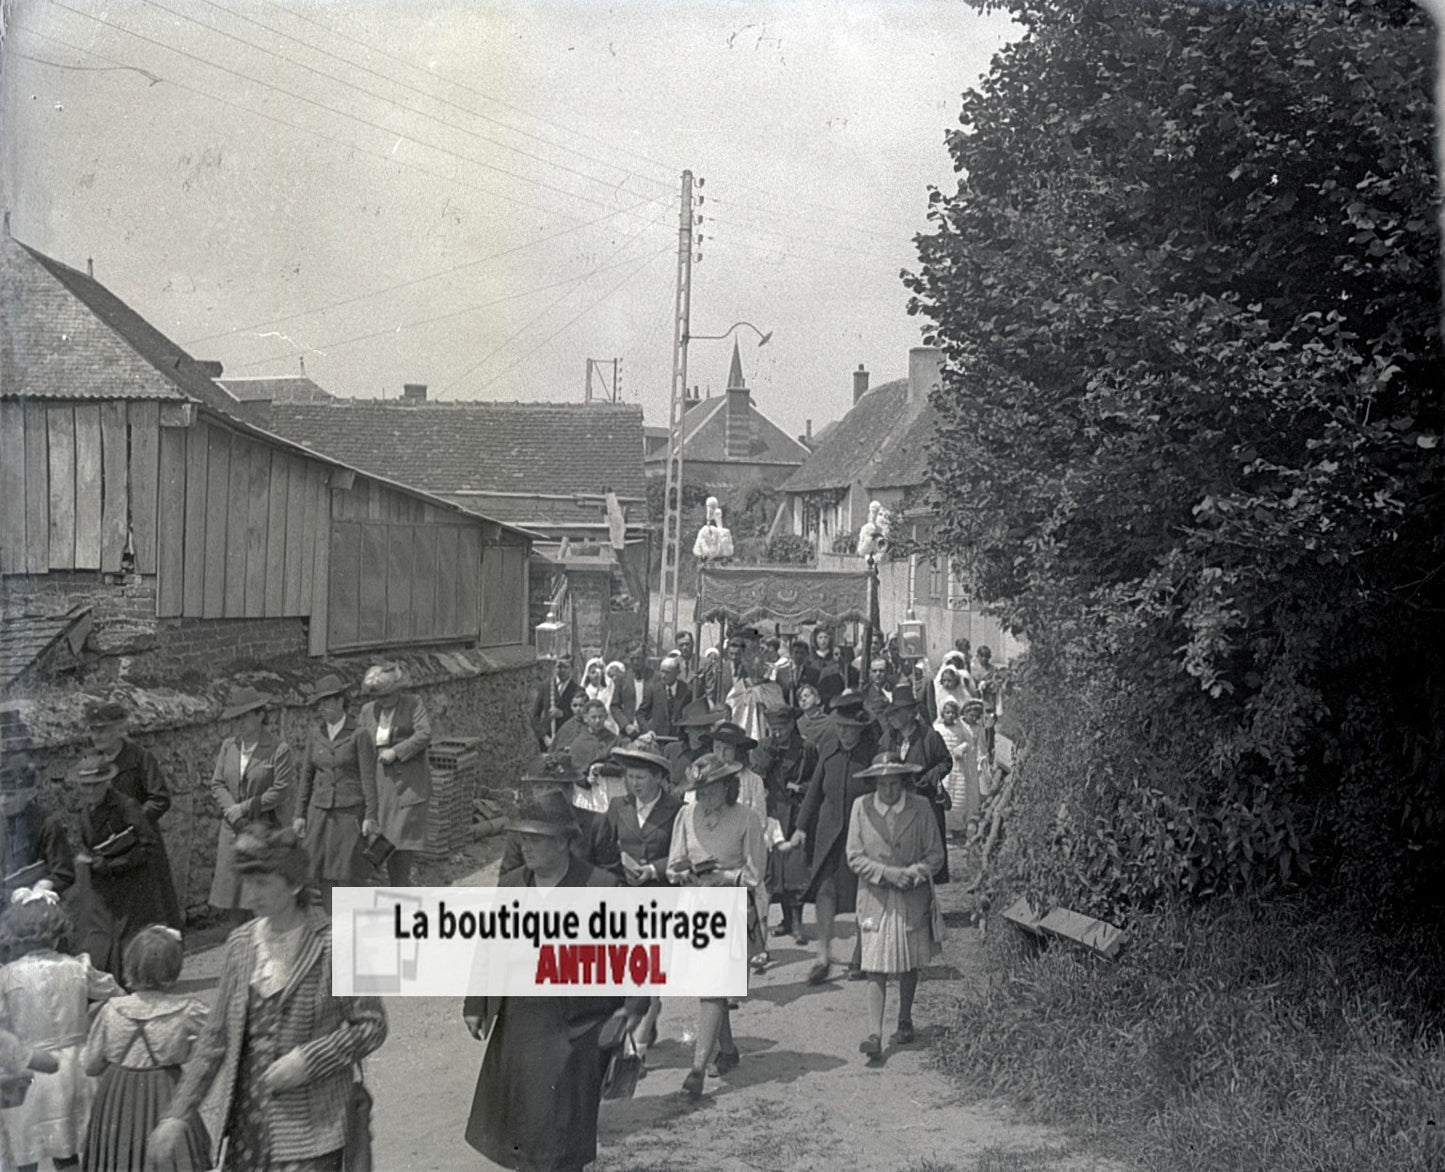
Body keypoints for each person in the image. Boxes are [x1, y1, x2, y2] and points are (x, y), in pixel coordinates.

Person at [151, 826, 387, 1171]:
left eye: (263, 884)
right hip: (249, 1125)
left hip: (313, 1129)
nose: (252, 894)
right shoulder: (241, 944)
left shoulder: (336, 945)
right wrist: (178, 1113)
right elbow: (215, 1038)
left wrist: (308, 1060)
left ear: (293, 884)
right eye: (248, 883)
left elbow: (372, 1026)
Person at [463, 790, 641, 1172]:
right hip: (520, 1023)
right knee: (523, 1134)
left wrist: (627, 1011)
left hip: (576, 1028)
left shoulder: (600, 888)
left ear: (563, 841)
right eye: (523, 838)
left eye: (536, 839)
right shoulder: (513, 885)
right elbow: (489, 944)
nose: (526, 847)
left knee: (560, 1137)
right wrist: (476, 1003)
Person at [667, 754, 766, 1099]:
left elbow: (754, 875)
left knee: (712, 986)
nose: (704, 796)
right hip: (695, 905)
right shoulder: (686, 815)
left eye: (710, 789)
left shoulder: (746, 819)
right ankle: (727, 1047)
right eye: (699, 790)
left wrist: (724, 876)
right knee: (710, 984)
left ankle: (696, 1069)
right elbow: (673, 863)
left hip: (730, 906)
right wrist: (684, 873)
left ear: (727, 786)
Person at [0, 890, 121, 1172]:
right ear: (57, 934)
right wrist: (90, 1017)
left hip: (30, 1068)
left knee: (25, 1151)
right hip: (76, 1068)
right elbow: (116, 995)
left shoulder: (7, 976)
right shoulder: (78, 967)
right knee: (69, 1149)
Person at [81, 925, 210, 1172]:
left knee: (120, 1159)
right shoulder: (186, 1011)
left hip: (117, 1098)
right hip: (167, 1091)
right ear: (174, 969)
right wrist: (188, 1047)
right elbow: (218, 1035)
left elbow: (91, 1065)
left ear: (130, 965)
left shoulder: (111, 1010)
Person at [846, 752, 945, 1061]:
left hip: (911, 896)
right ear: (874, 783)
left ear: (903, 782)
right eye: (882, 784)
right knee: (874, 963)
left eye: (894, 783)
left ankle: (904, 1019)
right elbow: (854, 856)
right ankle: (874, 1032)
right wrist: (886, 874)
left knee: (908, 962)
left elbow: (935, 854)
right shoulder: (861, 808)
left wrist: (912, 875)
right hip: (875, 896)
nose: (888, 790)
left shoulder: (921, 808)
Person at [602, 735, 683, 1066]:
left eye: (641, 778)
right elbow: (602, 847)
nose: (634, 784)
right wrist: (619, 858)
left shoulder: (677, 810)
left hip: (661, 898)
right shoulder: (616, 807)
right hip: (623, 898)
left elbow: (683, 855)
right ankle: (647, 1014)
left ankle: (637, 1037)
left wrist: (653, 869)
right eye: (630, 777)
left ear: (658, 778)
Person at [71, 755, 182, 981]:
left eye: (96, 785)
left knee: (127, 940)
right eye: (85, 786)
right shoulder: (85, 811)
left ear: (107, 782)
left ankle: (133, 986)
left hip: (131, 886)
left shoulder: (126, 806)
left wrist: (113, 863)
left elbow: (148, 846)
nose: (91, 791)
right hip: (103, 889)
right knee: (99, 939)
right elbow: (86, 842)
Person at [792, 706, 876, 984]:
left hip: (863, 832)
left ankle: (861, 953)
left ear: (860, 729)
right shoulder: (828, 750)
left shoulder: (872, 754)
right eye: (841, 728)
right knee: (824, 891)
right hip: (828, 834)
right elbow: (814, 792)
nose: (845, 734)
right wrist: (801, 828)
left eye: (851, 728)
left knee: (864, 896)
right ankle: (823, 956)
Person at [83, 699, 183, 926]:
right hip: (105, 847)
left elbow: (160, 798)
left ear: (120, 728)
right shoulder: (90, 759)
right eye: (93, 730)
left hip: (138, 844)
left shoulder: (139, 757)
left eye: (103, 730)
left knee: (149, 909)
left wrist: (132, 822)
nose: (97, 736)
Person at [208, 685, 293, 923]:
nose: (240, 723)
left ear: (260, 715)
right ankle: (238, 947)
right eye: (236, 718)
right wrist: (233, 812)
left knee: (258, 898)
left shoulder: (278, 749)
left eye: (245, 716)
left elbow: (280, 791)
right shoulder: (229, 746)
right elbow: (217, 784)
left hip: (262, 831)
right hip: (233, 831)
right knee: (232, 897)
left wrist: (245, 807)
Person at [292, 674, 368, 911]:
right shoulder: (316, 734)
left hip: (349, 812)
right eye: (319, 703)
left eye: (327, 701)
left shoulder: (359, 733)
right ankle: (331, 922)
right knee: (323, 870)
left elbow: (369, 778)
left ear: (340, 701)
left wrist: (372, 816)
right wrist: (299, 814)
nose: (322, 708)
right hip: (320, 812)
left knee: (346, 872)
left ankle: (349, 927)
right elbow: (306, 777)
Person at [357, 663, 432, 887]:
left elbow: (424, 734)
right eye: (379, 696)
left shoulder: (413, 703)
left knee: (400, 844)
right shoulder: (368, 711)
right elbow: (360, 741)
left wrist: (397, 752)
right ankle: (388, 890)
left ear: (398, 690)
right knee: (378, 841)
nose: (384, 700)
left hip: (406, 787)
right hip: (378, 784)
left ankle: (401, 890)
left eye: (388, 695)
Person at [752, 701, 817, 945]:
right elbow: (756, 775)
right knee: (774, 870)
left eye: (781, 728)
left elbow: (816, 780)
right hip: (773, 815)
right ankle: (784, 920)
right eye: (773, 729)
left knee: (796, 868)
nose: (777, 733)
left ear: (791, 725)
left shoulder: (806, 748)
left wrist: (801, 787)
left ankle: (797, 922)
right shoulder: (765, 747)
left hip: (797, 813)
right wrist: (769, 757)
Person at [878, 683, 953, 885]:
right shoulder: (888, 739)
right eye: (890, 713)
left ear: (911, 713)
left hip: (924, 804)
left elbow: (946, 761)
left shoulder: (929, 736)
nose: (892, 717)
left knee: (924, 855)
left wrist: (930, 776)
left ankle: (927, 907)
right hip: (896, 805)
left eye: (897, 712)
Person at [500, 755, 618, 874]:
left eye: (552, 787)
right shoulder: (521, 826)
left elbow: (610, 878)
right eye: (539, 787)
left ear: (570, 790)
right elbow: (509, 878)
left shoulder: (596, 824)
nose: (545, 794)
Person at [1, 752, 74, 904]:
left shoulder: (48, 824)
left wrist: (45, 884)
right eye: (0, 794)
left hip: (38, 901)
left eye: (10, 795)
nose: (3, 801)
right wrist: (10, 894)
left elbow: (64, 872)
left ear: (30, 794)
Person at [723, 626, 786, 742]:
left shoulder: (768, 667)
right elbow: (732, 700)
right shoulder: (731, 667)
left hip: (764, 695)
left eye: (752, 641)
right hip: (744, 698)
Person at [934, 699, 978, 838]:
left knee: (958, 795)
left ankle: (957, 826)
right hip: (943, 765)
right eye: (947, 712)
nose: (950, 715)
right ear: (942, 713)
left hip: (958, 767)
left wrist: (963, 747)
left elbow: (969, 743)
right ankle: (945, 827)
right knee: (944, 794)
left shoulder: (961, 729)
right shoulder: (937, 728)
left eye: (953, 713)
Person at [665, 699, 726, 790]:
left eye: (705, 727)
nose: (702, 731)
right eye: (697, 727)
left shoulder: (713, 753)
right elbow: (660, 776)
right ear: (686, 729)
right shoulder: (672, 750)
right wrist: (667, 787)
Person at [531, 659, 581, 750]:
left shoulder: (578, 690)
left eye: (565, 667)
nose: (561, 670)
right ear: (554, 668)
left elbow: (581, 715)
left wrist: (562, 714)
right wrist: (544, 736)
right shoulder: (545, 686)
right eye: (559, 667)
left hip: (568, 738)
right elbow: (534, 716)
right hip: (547, 740)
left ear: (572, 669)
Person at [568, 698, 620, 780]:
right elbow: (574, 771)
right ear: (585, 718)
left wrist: (604, 767)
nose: (598, 720)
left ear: (606, 717)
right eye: (593, 717)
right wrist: (585, 779)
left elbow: (623, 767)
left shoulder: (614, 740)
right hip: (586, 789)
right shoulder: (578, 743)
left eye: (600, 717)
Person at [974, 646, 1003, 760]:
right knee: (978, 727)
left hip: (989, 701)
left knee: (989, 728)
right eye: (982, 656)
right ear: (978, 656)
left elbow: (997, 682)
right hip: (978, 701)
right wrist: (979, 686)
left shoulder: (993, 669)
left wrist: (988, 683)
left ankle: (990, 751)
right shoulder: (975, 669)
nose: (984, 659)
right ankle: (979, 753)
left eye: (987, 656)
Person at [651, 656, 690, 739]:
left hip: (679, 739)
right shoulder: (654, 690)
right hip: (658, 738)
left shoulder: (687, 691)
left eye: (667, 672)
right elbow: (641, 713)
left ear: (677, 672)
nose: (663, 676)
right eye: (662, 672)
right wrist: (649, 730)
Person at [861, 658, 894, 727]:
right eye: (874, 671)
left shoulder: (895, 689)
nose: (878, 674)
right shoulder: (864, 692)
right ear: (870, 673)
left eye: (881, 671)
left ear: (887, 671)